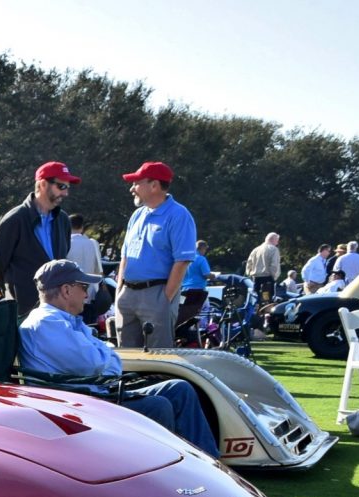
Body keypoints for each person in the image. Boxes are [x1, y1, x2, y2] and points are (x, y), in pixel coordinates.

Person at [19, 260, 218, 456]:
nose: (87, 294)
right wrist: (108, 357)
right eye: (83, 286)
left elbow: (106, 360)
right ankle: (164, 472)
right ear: (66, 290)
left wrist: (107, 357)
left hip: (91, 392)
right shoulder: (48, 323)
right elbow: (96, 365)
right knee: (158, 406)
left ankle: (208, 462)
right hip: (77, 402)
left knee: (179, 389)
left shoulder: (63, 320)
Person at [115, 161, 197, 348]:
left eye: (136, 183)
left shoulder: (179, 215)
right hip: (128, 295)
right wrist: (120, 293)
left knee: (158, 357)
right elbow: (125, 257)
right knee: (127, 358)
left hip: (156, 293)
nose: (132, 189)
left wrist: (164, 299)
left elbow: (182, 261)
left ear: (154, 185)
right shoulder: (137, 215)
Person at [0, 160, 78, 315]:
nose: (65, 193)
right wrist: (16, 292)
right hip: (24, 310)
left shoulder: (63, 220)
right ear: (43, 184)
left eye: (67, 188)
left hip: (57, 309)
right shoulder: (14, 219)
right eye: (61, 186)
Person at [177, 240, 213, 331]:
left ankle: (186, 328)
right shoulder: (201, 259)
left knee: (186, 311)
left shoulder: (187, 259)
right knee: (205, 310)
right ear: (202, 248)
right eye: (205, 249)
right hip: (198, 291)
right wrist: (215, 276)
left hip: (184, 290)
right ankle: (203, 329)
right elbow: (206, 274)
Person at [244, 232, 281, 302]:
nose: (277, 243)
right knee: (267, 301)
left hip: (256, 279)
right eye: (277, 241)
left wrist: (249, 274)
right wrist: (274, 277)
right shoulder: (274, 249)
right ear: (273, 240)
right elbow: (274, 265)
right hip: (267, 279)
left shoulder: (255, 250)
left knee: (257, 300)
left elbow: (249, 264)